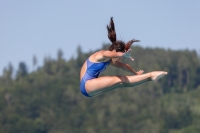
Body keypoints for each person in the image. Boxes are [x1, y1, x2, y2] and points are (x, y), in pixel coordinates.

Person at [80, 17, 167, 97]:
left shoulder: (110, 60)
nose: (119, 59)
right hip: (86, 84)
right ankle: (150, 75)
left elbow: (125, 66)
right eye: (119, 56)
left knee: (122, 83)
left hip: (89, 89)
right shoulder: (102, 54)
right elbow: (114, 55)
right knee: (120, 79)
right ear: (114, 51)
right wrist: (123, 55)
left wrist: (136, 73)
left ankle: (150, 78)